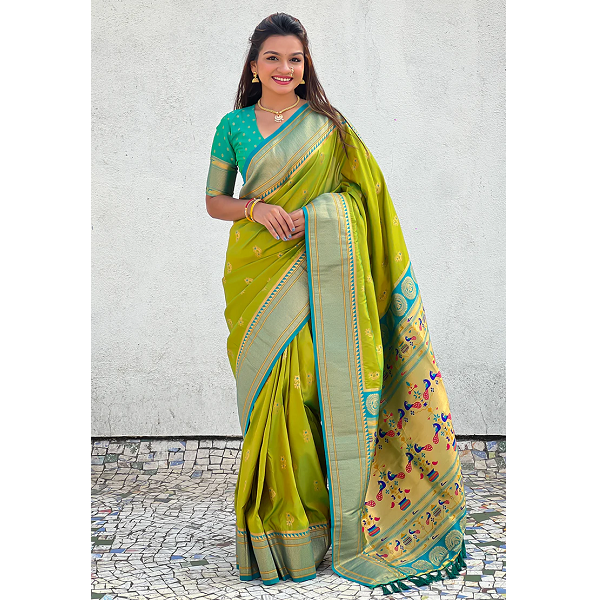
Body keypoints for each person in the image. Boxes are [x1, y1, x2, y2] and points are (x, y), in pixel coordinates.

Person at [205, 12, 467, 596]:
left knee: (306, 388)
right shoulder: (233, 125)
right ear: (254, 66)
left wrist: (316, 217)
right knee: (269, 396)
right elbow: (215, 200)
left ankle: (322, 528)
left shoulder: (328, 126)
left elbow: (362, 196)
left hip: (316, 268)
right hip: (256, 272)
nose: (284, 68)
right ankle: (276, 531)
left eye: (294, 59)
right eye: (273, 58)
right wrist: (256, 209)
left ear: (306, 67)